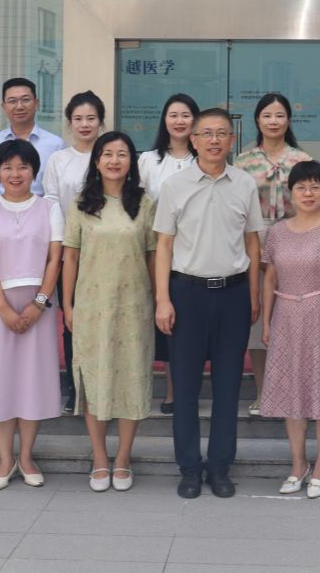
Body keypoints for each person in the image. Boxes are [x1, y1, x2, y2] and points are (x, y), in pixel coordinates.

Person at [153, 109, 263, 499]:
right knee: (184, 387)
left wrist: (253, 296)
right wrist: (162, 299)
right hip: (187, 294)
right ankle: (188, 467)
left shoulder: (244, 183)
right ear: (194, 140)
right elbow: (164, 246)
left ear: (232, 140)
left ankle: (219, 467)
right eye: (207, 134)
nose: (214, 140)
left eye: (222, 133)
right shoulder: (174, 186)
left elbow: (252, 242)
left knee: (228, 387)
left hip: (233, 294)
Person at [63, 132, 157, 492]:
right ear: (97, 161)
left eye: (122, 154)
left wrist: (158, 299)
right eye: (107, 154)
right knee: (95, 379)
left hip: (134, 306)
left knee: (132, 378)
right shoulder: (82, 203)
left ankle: (123, 459)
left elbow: (153, 255)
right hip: (92, 306)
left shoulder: (144, 203)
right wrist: (67, 304)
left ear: (131, 161)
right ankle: (100, 458)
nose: (114, 161)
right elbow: (71, 256)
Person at [0, 139, 63, 491]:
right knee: (0, 379)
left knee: (32, 380)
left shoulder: (49, 209)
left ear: (33, 171)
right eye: (7, 167)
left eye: (23, 167)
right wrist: (4, 311)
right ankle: (4, 459)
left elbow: (55, 259)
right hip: (0, 305)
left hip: (39, 303)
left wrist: (39, 304)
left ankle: (26, 456)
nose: (15, 173)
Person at [261, 160, 320, 499]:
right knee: (292, 393)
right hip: (286, 316)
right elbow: (270, 278)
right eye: (301, 187)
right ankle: (298, 464)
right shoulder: (276, 232)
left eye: (315, 186)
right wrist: (267, 321)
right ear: (291, 192)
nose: (308, 192)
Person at [234, 92, 315, 417]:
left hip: (295, 238)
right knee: (259, 319)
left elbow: (315, 204)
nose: (273, 121)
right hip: (253, 239)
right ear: (257, 120)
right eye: (267, 115)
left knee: (295, 317)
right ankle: (263, 392)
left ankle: (295, 393)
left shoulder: (301, 160)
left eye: (279, 115)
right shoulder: (243, 162)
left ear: (288, 120)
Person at [44, 90, 106, 414]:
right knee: (72, 320)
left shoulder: (110, 155)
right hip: (71, 252)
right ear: (69, 123)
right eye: (78, 119)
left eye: (91, 118)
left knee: (104, 320)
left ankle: (103, 385)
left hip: (106, 252)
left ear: (101, 122)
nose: (85, 124)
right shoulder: (58, 159)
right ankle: (76, 386)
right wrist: (60, 247)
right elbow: (52, 202)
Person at [138, 93, 199, 415]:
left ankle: (186, 390)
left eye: (186, 115)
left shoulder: (203, 159)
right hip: (155, 251)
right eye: (173, 115)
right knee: (163, 320)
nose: (179, 121)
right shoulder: (148, 161)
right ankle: (168, 390)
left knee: (188, 323)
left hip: (193, 253)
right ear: (164, 120)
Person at [0, 77, 66, 202]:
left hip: (41, 212)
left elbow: (61, 191)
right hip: (0, 212)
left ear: (36, 103)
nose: (19, 106)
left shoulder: (56, 145)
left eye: (26, 100)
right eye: (12, 101)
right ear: (4, 106)